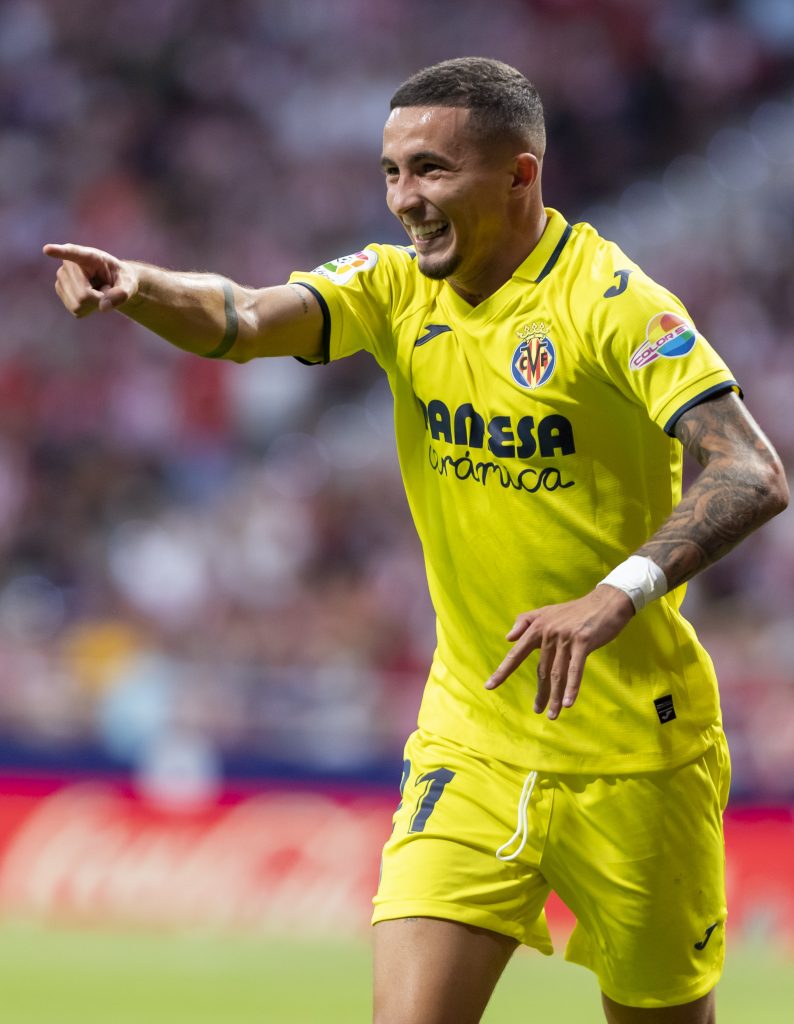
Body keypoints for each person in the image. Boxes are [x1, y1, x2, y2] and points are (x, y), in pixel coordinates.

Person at [45, 57, 787, 1024]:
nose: (405, 199)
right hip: (470, 740)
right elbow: (244, 316)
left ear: (521, 176)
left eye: (432, 170)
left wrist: (620, 591)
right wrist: (135, 283)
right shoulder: (395, 290)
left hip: (636, 759)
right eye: (392, 172)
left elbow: (751, 470)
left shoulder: (614, 303)